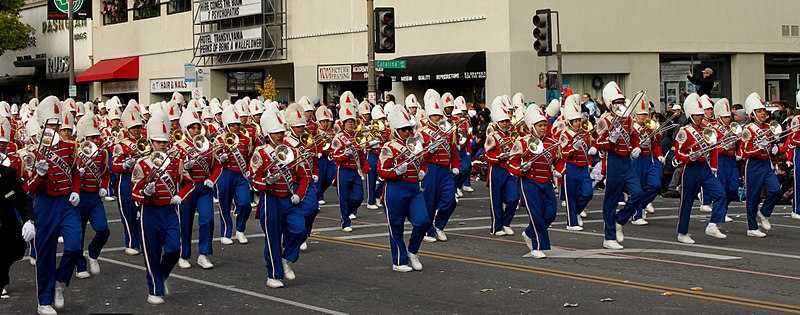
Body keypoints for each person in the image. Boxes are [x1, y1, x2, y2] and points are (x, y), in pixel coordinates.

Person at [27, 96, 83, 314]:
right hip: (45, 204)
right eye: (51, 125)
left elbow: (75, 172)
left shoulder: (70, 148)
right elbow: (29, 188)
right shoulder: (34, 151)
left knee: (75, 245)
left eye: (57, 124)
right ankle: (44, 300)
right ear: (43, 125)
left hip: (67, 203)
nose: (56, 128)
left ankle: (60, 280)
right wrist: (39, 175)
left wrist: (77, 190)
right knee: (46, 252)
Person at [131, 111, 193, 305]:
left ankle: (161, 276)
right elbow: (134, 191)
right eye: (158, 141)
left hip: (170, 211)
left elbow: (189, 184)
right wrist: (146, 193)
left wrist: (179, 196)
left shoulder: (176, 163)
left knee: (174, 249)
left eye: (165, 141)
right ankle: (154, 290)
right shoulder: (142, 164)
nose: (162, 145)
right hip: (150, 212)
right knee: (152, 252)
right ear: (150, 142)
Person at [250, 109, 309, 288]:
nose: (281, 135)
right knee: (273, 238)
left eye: (282, 132)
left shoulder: (292, 151)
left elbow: (303, 177)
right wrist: (266, 182)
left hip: (289, 199)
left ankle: (287, 258)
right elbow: (253, 178)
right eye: (276, 133)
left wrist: (299, 194)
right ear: (268, 135)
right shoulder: (260, 153)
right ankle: (273, 275)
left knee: (300, 230)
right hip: (270, 199)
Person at [377, 105, 432, 272]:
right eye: (403, 129)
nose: (407, 132)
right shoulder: (389, 147)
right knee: (396, 226)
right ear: (396, 131)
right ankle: (399, 261)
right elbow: (381, 171)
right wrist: (395, 172)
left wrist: (423, 172)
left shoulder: (415, 144)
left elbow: (423, 163)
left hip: (414, 189)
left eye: (409, 128)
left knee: (424, 221)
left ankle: (412, 251)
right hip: (395, 190)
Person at [673, 93, 728, 243]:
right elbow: (677, 153)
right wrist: (688, 157)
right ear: (690, 115)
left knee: (720, 194)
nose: (700, 117)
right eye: (697, 115)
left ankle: (712, 224)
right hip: (691, 169)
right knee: (687, 202)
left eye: (701, 114)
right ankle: (682, 232)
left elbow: (714, 148)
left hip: (705, 168)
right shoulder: (684, 131)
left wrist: (714, 168)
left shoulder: (707, 129)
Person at [595, 82, 643, 250]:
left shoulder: (627, 118)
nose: (620, 105)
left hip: (626, 161)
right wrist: (610, 140)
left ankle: (619, 221)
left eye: (622, 101)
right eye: (617, 102)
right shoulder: (605, 120)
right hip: (613, 160)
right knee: (612, 199)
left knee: (637, 193)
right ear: (610, 104)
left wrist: (636, 146)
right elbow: (598, 142)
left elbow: (634, 135)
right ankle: (608, 237)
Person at [508, 106, 557, 258]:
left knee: (550, 214)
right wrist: (522, 168)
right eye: (540, 126)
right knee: (535, 214)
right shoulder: (523, 143)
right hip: (529, 181)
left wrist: (558, 169)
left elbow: (558, 160)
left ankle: (529, 233)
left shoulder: (551, 143)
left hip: (546, 182)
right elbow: (510, 162)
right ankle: (536, 246)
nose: (543, 128)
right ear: (532, 127)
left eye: (544, 125)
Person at [175, 109, 221, 269]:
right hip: (187, 188)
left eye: (197, 127)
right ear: (186, 130)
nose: (196, 130)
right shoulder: (179, 147)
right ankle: (183, 254)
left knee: (208, 219)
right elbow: (172, 169)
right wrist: (183, 168)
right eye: (192, 127)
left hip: (204, 188)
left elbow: (217, 166)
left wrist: (211, 179)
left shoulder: (208, 146)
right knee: (185, 222)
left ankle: (204, 254)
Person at [73, 113, 112, 279]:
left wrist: (104, 187)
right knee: (78, 233)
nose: (96, 140)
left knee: (103, 229)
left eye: (97, 137)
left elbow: (106, 172)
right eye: (92, 138)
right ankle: (80, 265)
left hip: (95, 197)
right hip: (80, 196)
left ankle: (93, 253)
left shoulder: (102, 154)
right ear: (84, 138)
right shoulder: (75, 151)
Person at [418, 90, 459, 242]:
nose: (438, 118)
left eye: (440, 115)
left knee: (450, 200)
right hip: (430, 168)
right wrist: (429, 150)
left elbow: (453, 150)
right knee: (429, 200)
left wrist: (455, 165)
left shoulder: (447, 131)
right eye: (435, 115)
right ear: (429, 116)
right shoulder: (422, 133)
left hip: (445, 170)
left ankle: (439, 225)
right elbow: (417, 154)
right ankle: (427, 230)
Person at [0, 119, 34, 302]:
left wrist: (29, 220)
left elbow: (22, 200)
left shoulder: (8, 173)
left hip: (6, 225)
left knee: (14, 250)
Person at [740, 92, 781, 237]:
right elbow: (744, 151)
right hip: (754, 165)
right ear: (752, 114)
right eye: (759, 111)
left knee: (776, 190)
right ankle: (752, 227)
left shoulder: (769, 128)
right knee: (753, 196)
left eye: (763, 110)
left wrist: (776, 151)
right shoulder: (748, 130)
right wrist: (759, 148)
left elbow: (771, 149)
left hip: (766, 165)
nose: (763, 113)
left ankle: (764, 212)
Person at [282, 104, 319, 251]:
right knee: (291, 213)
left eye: (303, 126)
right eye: (298, 126)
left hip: (308, 181)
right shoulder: (285, 143)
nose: (301, 129)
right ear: (291, 127)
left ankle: (302, 235)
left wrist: (315, 172)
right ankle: (291, 236)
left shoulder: (308, 140)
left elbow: (314, 160)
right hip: (293, 183)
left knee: (312, 209)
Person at [215, 105, 253, 245]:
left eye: (237, 124)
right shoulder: (220, 139)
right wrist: (221, 158)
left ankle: (240, 229)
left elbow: (248, 157)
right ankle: (225, 233)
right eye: (232, 125)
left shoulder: (245, 140)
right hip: (225, 174)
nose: (236, 127)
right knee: (224, 204)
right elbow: (214, 159)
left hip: (241, 175)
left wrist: (249, 171)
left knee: (245, 203)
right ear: (227, 126)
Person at [111, 104, 145, 255]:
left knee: (142, 211)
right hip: (126, 180)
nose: (137, 130)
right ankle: (130, 242)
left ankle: (143, 240)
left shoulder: (146, 142)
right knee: (128, 212)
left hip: (143, 180)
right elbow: (114, 166)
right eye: (134, 128)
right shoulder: (121, 144)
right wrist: (125, 164)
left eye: (138, 127)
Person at [558, 95, 596, 230]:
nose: (578, 123)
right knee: (571, 196)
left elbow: (592, 145)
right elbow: (563, 153)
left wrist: (593, 149)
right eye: (575, 121)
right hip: (571, 167)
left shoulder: (585, 133)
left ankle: (577, 211)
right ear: (570, 122)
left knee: (588, 193)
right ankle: (571, 222)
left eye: (579, 120)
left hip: (584, 167)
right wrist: (573, 148)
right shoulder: (565, 135)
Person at [331, 96, 369, 231]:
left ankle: (349, 212)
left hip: (355, 170)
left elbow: (361, 154)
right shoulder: (338, 138)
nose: (351, 124)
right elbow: (335, 157)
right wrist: (344, 154)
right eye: (348, 122)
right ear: (343, 124)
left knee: (359, 197)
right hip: (344, 170)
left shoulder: (357, 136)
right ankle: (345, 222)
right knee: (344, 198)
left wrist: (365, 165)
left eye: (352, 122)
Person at [484, 97, 519, 236]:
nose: (505, 124)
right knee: (496, 200)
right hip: (496, 169)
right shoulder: (492, 136)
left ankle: (506, 222)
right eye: (503, 122)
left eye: (507, 121)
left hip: (509, 169)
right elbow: (486, 156)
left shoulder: (513, 135)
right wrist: (497, 158)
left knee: (514, 198)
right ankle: (496, 227)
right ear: (497, 122)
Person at [630, 96, 663, 225]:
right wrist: (634, 148)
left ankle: (641, 205)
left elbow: (654, 144)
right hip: (637, 159)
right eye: (640, 114)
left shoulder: (650, 127)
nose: (643, 116)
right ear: (635, 115)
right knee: (637, 187)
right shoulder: (632, 127)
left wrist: (659, 155)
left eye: (645, 114)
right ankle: (636, 215)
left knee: (656, 185)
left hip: (649, 159)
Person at [314, 106, 336, 205]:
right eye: (323, 121)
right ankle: (319, 196)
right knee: (320, 177)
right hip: (321, 156)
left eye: (327, 121)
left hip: (330, 156)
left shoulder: (333, 131)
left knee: (331, 175)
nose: (326, 123)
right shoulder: (317, 131)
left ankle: (320, 191)